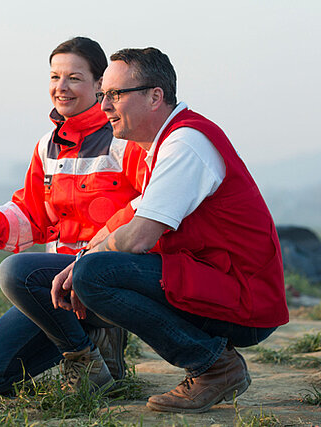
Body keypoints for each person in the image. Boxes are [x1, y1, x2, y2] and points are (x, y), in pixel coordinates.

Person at [50, 47, 289, 413]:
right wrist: (80, 260)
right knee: (77, 271)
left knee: (95, 276)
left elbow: (140, 235)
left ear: (154, 96)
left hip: (245, 298)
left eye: (115, 95)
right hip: (214, 282)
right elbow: (125, 219)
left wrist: (84, 267)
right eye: (102, 96)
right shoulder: (160, 147)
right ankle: (210, 361)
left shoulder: (186, 142)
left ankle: (214, 367)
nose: (104, 107)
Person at [0, 37, 147, 394]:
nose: (61, 87)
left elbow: (152, 205)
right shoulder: (45, 147)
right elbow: (30, 216)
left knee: (14, 272)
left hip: (109, 277)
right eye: (54, 77)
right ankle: (90, 344)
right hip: (54, 288)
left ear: (100, 85)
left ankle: (86, 352)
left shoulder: (126, 141)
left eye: (74, 78)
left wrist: (99, 252)